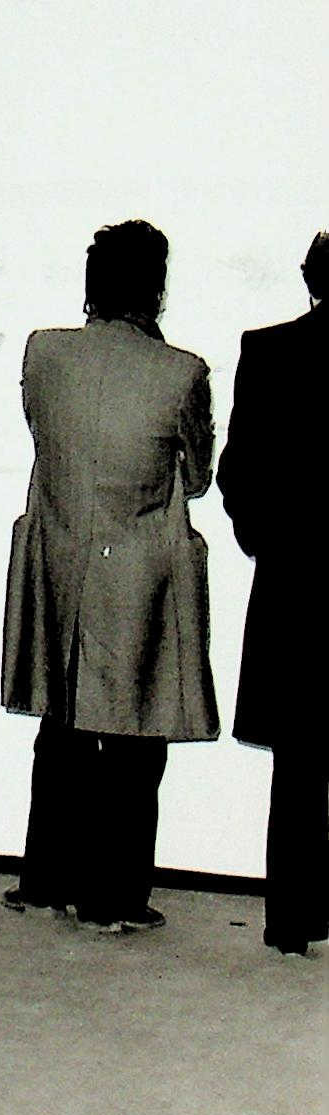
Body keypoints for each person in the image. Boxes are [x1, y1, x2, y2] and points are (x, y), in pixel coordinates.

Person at [1, 219, 217, 934]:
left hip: (59, 559)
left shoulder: (43, 352)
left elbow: (44, 437)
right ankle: (113, 898)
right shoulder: (182, 372)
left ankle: (43, 880)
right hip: (138, 575)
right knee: (134, 740)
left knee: (59, 726)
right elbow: (197, 478)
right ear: (157, 288)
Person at [215, 230, 328, 958]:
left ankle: (291, 920)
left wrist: (264, 539)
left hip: (295, 580)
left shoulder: (267, 351)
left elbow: (236, 472)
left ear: (308, 280)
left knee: (298, 760)